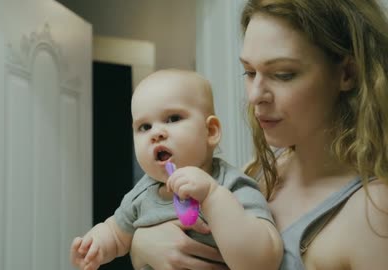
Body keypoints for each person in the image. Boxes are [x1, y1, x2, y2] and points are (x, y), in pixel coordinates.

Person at [130, 0, 388, 269]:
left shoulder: (375, 212)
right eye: (250, 72)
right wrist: (142, 244)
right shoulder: (257, 174)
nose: (254, 96)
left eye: (283, 74)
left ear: (347, 73)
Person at [70, 69, 283, 270]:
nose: (156, 133)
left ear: (210, 131)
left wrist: (212, 195)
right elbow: (116, 234)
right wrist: (95, 245)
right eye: (145, 127)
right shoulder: (142, 194)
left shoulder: (231, 184)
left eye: (173, 119)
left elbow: (265, 259)